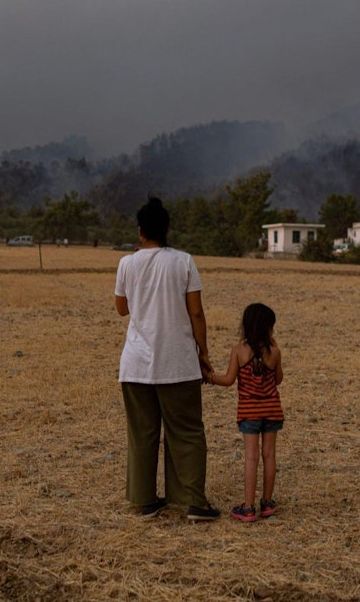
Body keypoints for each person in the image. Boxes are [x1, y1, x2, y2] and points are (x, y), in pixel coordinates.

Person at [114, 197, 220, 522]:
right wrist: (203, 353)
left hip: (135, 365)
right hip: (178, 362)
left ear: (141, 230)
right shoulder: (184, 261)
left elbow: (122, 308)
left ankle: (145, 501)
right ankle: (192, 501)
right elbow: (197, 313)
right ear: (167, 228)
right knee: (186, 431)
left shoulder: (126, 264)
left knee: (143, 433)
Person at [206, 302, 284, 522]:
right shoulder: (274, 352)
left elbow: (229, 380)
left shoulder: (239, 351)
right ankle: (267, 503)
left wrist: (209, 377)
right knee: (269, 455)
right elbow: (278, 379)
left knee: (251, 457)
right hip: (272, 410)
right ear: (268, 327)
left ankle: (248, 507)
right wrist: (275, 352)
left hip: (249, 412)